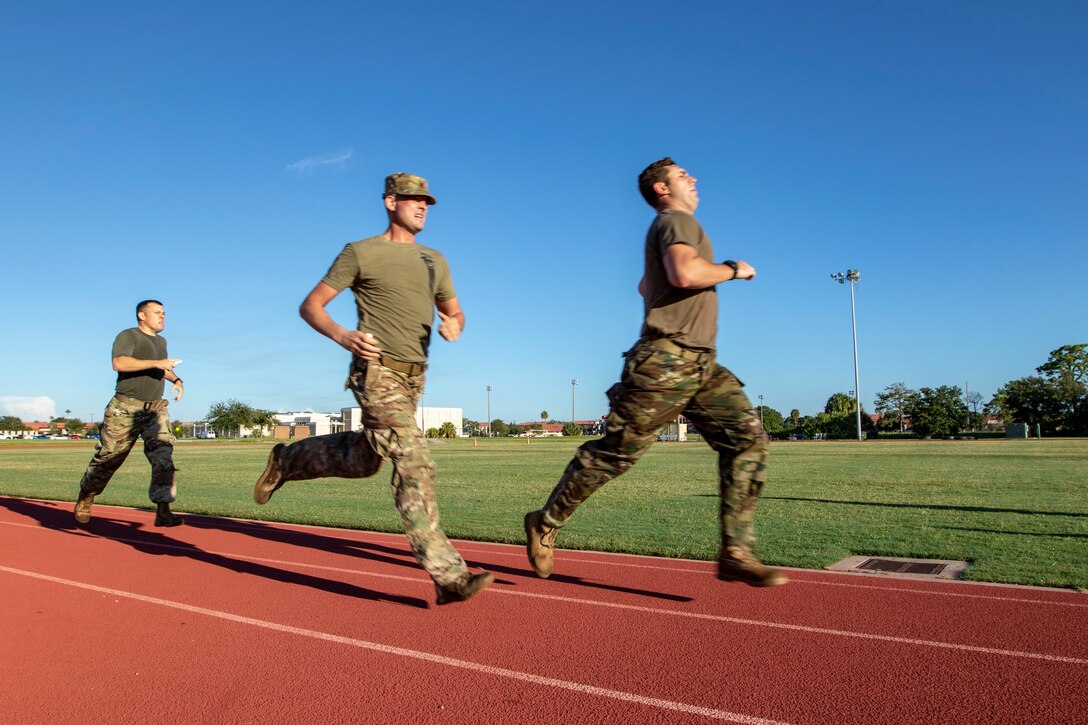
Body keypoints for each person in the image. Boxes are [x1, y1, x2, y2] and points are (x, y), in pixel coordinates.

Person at [524, 157, 787, 587]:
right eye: (684, 176)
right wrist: (734, 270)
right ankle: (545, 521)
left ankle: (736, 551)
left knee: (748, 440)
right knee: (616, 454)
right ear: (662, 189)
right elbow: (684, 272)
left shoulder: (673, 228)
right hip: (664, 362)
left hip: (702, 365)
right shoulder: (675, 221)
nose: (694, 178)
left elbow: (646, 286)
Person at [253, 172, 493, 606]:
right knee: (415, 462)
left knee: (365, 460)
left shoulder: (434, 260)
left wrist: (454, 324)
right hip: (375, 371)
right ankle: (448, 574)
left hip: (414, 377)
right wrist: (343, 335)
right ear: (390, 201)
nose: (423, 207)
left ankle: (287, 459)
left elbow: (455, 312)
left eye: (427, 202)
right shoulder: (361, 252)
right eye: (414, 199)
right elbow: (311, 306)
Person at [75, 300, 185, 527]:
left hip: (155, 410)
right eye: (157, 313)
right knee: (109, 458)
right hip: (125, 409)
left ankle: (163, 509)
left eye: (164, 313)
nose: (163, 316)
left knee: (163, 457)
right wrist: (158, 362)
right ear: (141, 315)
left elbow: (162, 367)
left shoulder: (161, 341)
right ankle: (87, 494)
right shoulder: (129, 336)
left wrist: (176, 380)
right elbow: (119, 363)